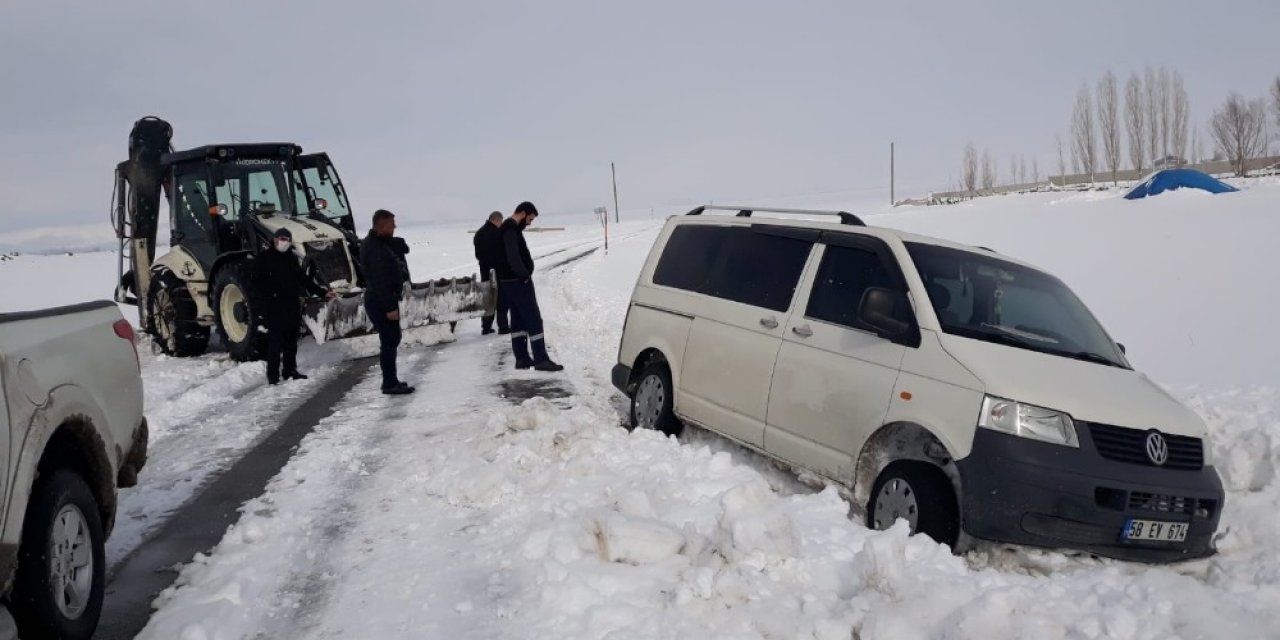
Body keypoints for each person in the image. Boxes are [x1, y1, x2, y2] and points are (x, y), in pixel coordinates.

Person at [255, 227, 333, 385]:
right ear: (275, 239)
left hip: (291, 304)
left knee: (291, 341)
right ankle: (273, 376)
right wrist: (267, 300)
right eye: (282, 239)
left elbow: (302, 279)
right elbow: (258, 284)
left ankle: (290, 370)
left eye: (288, 240)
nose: (285, 242)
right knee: (275, 342)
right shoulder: (264, 258)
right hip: (274, 306)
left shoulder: (290, 258)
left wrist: (323, 293)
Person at [498, 201, 563, 371]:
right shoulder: (510, 229)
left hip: (509, 282)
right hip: (517, 282)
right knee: (533, 318)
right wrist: (524, 275)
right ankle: (541, 359)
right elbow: (513, 256)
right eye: (530, 219)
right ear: (522, 213)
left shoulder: (508, 228)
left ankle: (522, 359)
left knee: (518, 320)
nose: (529, 223)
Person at [360, 209, 415, 395]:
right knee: (389, 340)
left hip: (382, 299)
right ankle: (389, 383)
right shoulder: (374, 248)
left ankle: (391, 380)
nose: (395, 227)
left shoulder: (378, 243)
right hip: (380, 301)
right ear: (382, 225)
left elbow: (400, 247)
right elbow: (380, 281)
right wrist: (390, 307)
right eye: (392, 224)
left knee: (392, 339)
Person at [473, 211, 510, 335]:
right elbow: (503, 253)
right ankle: (503, 327)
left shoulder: (478, 234)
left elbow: (478, 255)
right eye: (501, 221)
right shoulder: (498, 233)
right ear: (497, 220)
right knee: (501, 300)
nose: (501, 224)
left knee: (488, 300)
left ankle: (486, 327)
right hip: (499, 271)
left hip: (485, 272)